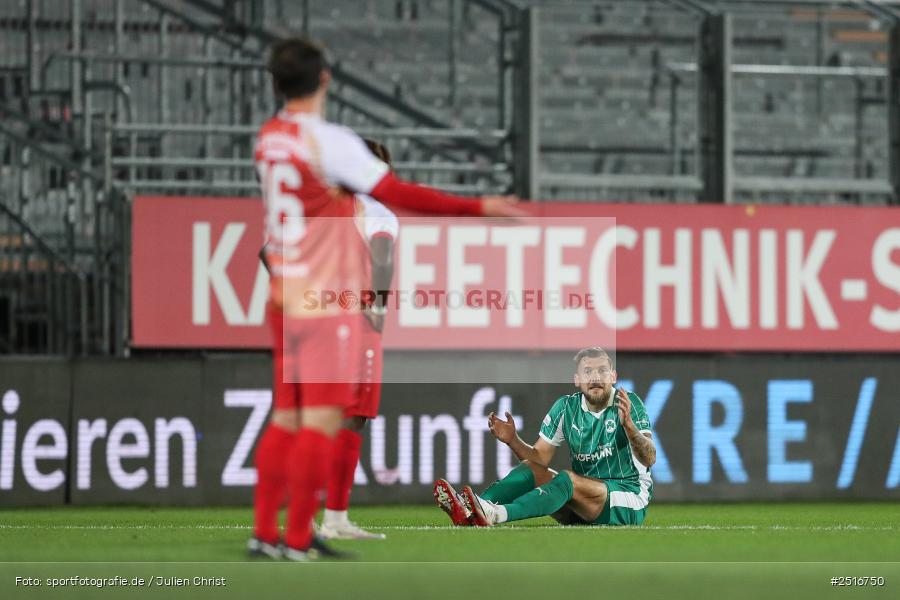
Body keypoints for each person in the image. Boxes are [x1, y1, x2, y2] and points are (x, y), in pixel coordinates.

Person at [250, 36, 523, 561]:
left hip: (285, 298)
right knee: (325, 421)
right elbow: (398, 196)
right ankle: (305, 536)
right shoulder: (327, 145)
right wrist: (478, 206)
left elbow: (274, 239)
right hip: (332, 302)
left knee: (286, 417)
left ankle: (266, 535)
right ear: (325, 79)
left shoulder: (269, 139)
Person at [433, 347, 655, 527]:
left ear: (613, 376)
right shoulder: (566, 407)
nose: (595, 377)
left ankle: (496, 514)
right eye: (588, 371)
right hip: (582, 503)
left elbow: (650, 458)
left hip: (627, 498)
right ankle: (472, 509)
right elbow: (539, 457)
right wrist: (513, 440)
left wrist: (630, 427)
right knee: (533, 468)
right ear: (577, 379)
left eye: (602, 371)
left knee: (567, 480)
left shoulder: (628, 403)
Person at [319, 140, 397, 541]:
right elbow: (382, 257)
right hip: (358, 320)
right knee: (354, 414)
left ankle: (319, 517)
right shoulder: (377, 210)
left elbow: (270, 253)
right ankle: (334, 519)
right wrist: (380, 305)